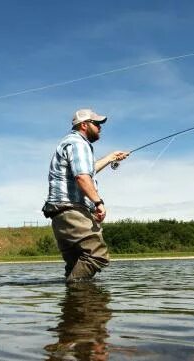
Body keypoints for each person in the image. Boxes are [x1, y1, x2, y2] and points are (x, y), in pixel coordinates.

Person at [42, 108, 128, 282]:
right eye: (96, 124)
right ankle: (76, 292)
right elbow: (82, 176)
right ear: (84, 125)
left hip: (60, 213)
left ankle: (75, 306)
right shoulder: (78, 144)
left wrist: (110, 157)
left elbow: (87, 170)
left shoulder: (71, 143)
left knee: (75, 263)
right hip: (71, 209)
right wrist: (98, 202)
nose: (100, 128)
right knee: (97, 255)